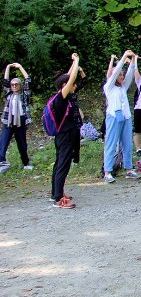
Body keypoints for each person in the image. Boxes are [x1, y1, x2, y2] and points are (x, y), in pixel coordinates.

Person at [50, 54, 82, 209]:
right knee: (62, 165)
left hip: (63, 135)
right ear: (64, 86)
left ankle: (56, 192)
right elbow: (71, 77)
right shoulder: (60, 98)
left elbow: (69, 77)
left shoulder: (62, 97)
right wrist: (76, 61)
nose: (73, 85)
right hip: (65, 136)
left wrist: (73, 63)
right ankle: (58, 199)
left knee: (59, 164)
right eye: (70, 84)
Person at [103, 50, 139, 182]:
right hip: (114, 117)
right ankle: (107, 172)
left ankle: (129, 169)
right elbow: (115, 73)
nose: (122, 77)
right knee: (111, 144)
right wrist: (124, 57)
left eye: (122, 75)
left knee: (127, 144)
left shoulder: (122, 87)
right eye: (119, 75)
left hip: (126, 117)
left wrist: (133, 60)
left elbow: (130, 74)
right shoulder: (109, 86)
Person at [0, 63, 32, 173]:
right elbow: (5, 81)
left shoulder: (24, 94)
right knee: (3, 142)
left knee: (22, 143)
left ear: (20, 85)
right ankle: (1, 162)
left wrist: (20, 67)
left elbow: (28, 79)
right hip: (8, 121)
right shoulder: (8, 94)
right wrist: (8, 67)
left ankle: (26, 163)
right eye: (12, 84)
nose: (13, 86)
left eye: (16, 84)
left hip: (21, 121)